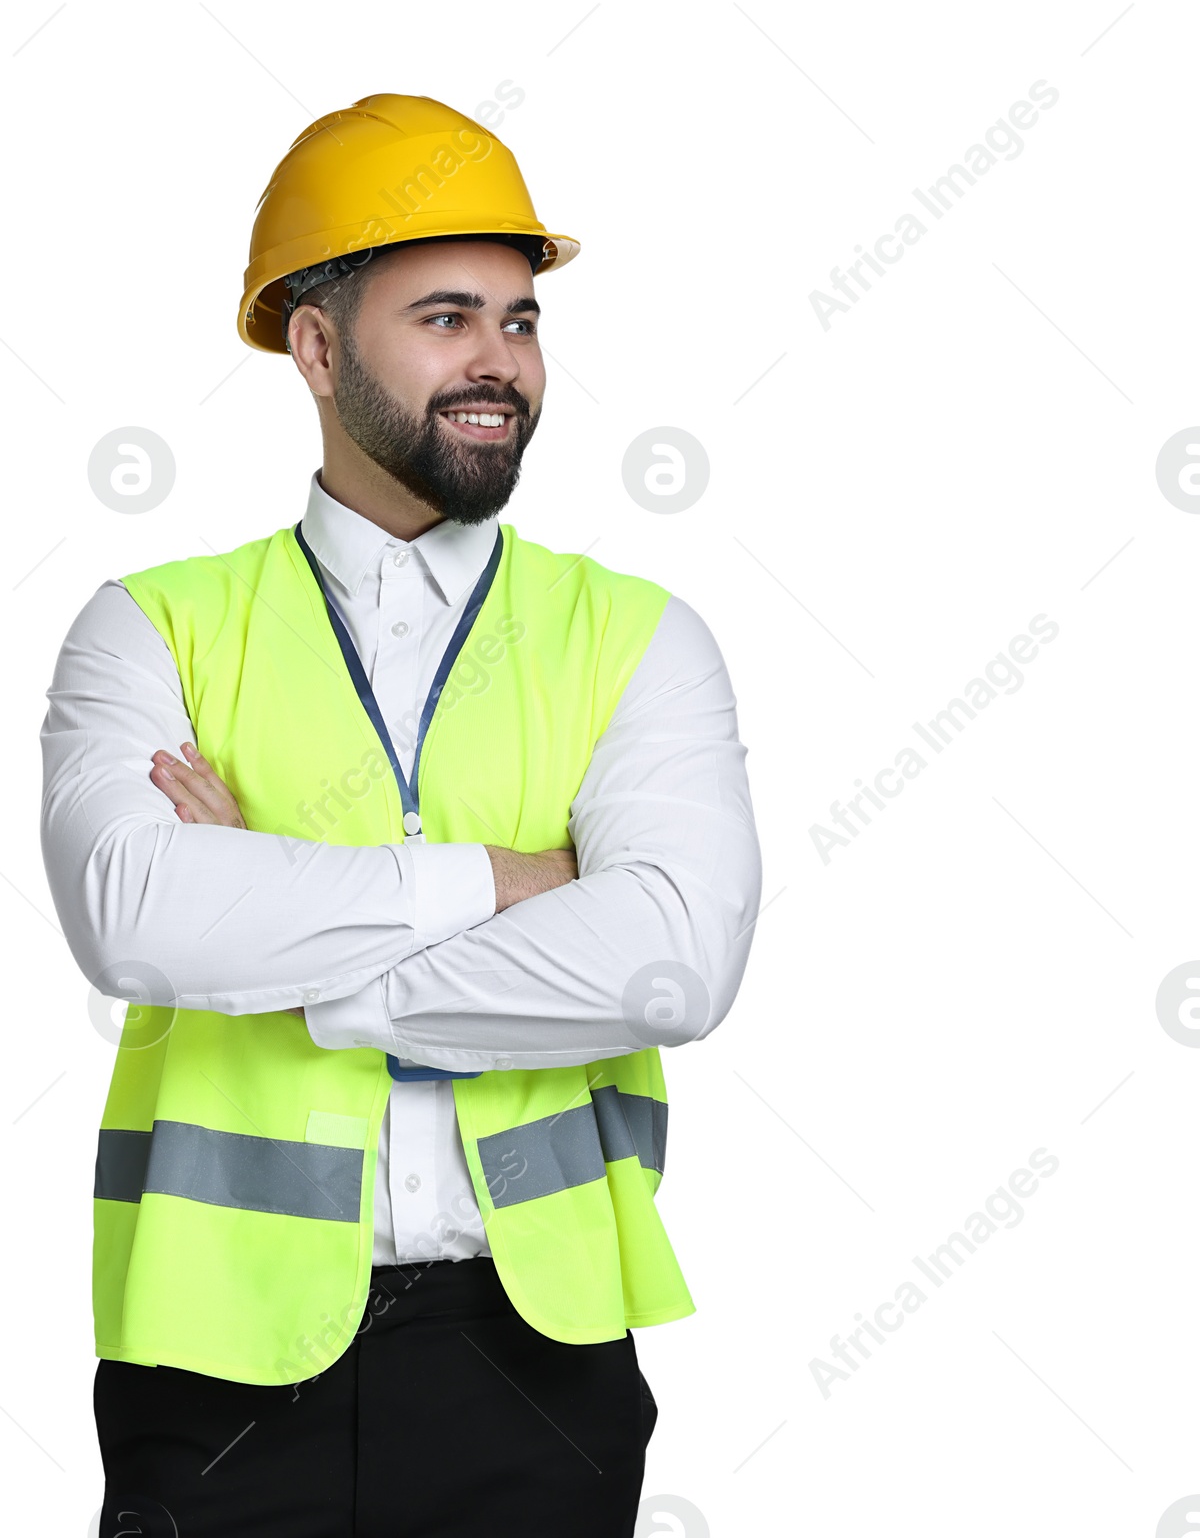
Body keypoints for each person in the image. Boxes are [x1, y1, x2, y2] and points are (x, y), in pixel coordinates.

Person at [39, 92, 762, 1538]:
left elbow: (674, 961)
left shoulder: (635, 636)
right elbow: (136, 922)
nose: (500, 361)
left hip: (537, 1365)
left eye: (521, 320)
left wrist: (281, 937)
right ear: (315, 348)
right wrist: (518, 878)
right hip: (216, 1376)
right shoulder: (151, 630)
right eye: (446, 318)